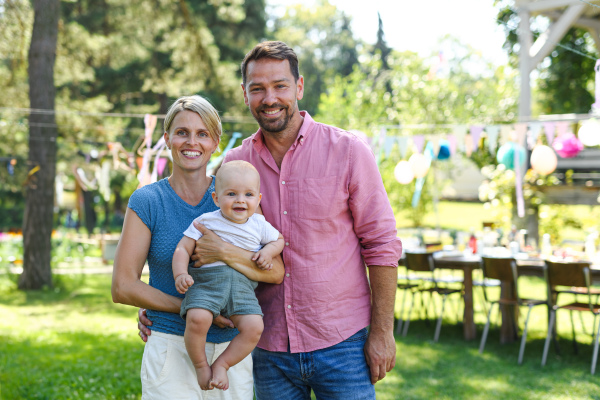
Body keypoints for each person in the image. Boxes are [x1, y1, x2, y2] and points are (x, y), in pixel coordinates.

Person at [196, 41, 403, 399]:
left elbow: (382, 245)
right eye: (257, 88)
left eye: (280, 86)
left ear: (299, 87)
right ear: (244, 94)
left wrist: (383, 332)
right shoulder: (234, 163)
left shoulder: (348, 152)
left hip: (343, 344)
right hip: (266, 345)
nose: (269, 97)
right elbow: (203, 232)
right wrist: (165, 305)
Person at [112, 95, 284, 400]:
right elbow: (123, 286)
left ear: (216, 142)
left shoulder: (236, 195)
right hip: (170, 345)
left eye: (202, 133)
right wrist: (192, 307)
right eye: (182, 132)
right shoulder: (148, 201)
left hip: (230, 352)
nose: (192, 142)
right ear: (167, 138)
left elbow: (275, 272)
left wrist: (223, 252)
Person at [172, 160, 284, 391]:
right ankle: (202, 365)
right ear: (216, 198)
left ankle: (222, 364)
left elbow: (279, 240)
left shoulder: (259, 224)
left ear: (258, 199)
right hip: (207, 284)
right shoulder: (206, 221)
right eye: (231, 194)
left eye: (249, 194)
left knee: (254, 327)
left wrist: (267, 251)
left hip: (242, 288)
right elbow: (182, 248)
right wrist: (180, 273)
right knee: (197, 318)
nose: (240, 200)